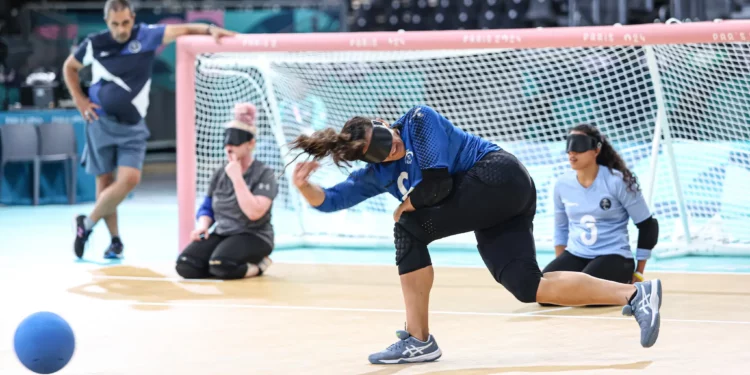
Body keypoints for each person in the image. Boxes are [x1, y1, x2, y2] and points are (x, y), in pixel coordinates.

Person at [288, 104, 663, 365]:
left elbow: (436, 184)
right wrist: (305, 188)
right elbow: (330, 202)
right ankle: (636, 293)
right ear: (369, 162)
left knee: (407, 228)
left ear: (385, 121)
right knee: (527, 286)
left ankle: (419, 340)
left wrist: (407, 204)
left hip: (499, 176)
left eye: (387, 138)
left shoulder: (419, 120)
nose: (392, 150)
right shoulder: (377, 174)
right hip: (493, 206)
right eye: (380, 154)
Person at [63, 0, 236, 259]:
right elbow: (70, 67)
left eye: (125, 22)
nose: (121, 29)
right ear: (106, 22)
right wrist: (79, 99)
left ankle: (86, 224)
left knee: (129, 180)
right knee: (105, 182)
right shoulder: (95, 43)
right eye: (115, 24)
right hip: (100, 120)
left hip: (133, 126)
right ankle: (115, 241)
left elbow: (185, 30)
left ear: (132, 17)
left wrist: (210, 29)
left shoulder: (147, 35)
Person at [545, 124, 658, 291]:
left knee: (584, 288)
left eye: (579, 145)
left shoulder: (617, 181)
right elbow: (561, 228)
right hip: (577, 253)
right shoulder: (562, 184)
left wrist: (639, 273)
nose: (572, 152)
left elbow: (648, 226)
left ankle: (625, 283)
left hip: (614, 256)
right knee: (544, 288)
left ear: (596, 150)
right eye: (569, 145)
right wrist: (562, 273)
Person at [175, 103, 277, 280]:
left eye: (236, 141)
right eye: (227, 141)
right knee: (186, 264)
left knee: (221, 265)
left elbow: (254, 212)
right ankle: (221, 263)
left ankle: (259, 266)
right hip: (223, 232)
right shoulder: (220, 172)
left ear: (250, 144)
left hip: (253, 235)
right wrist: (203, 226)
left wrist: (237, 178)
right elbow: (208, 206)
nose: (229, 147)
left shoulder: (264, 173)